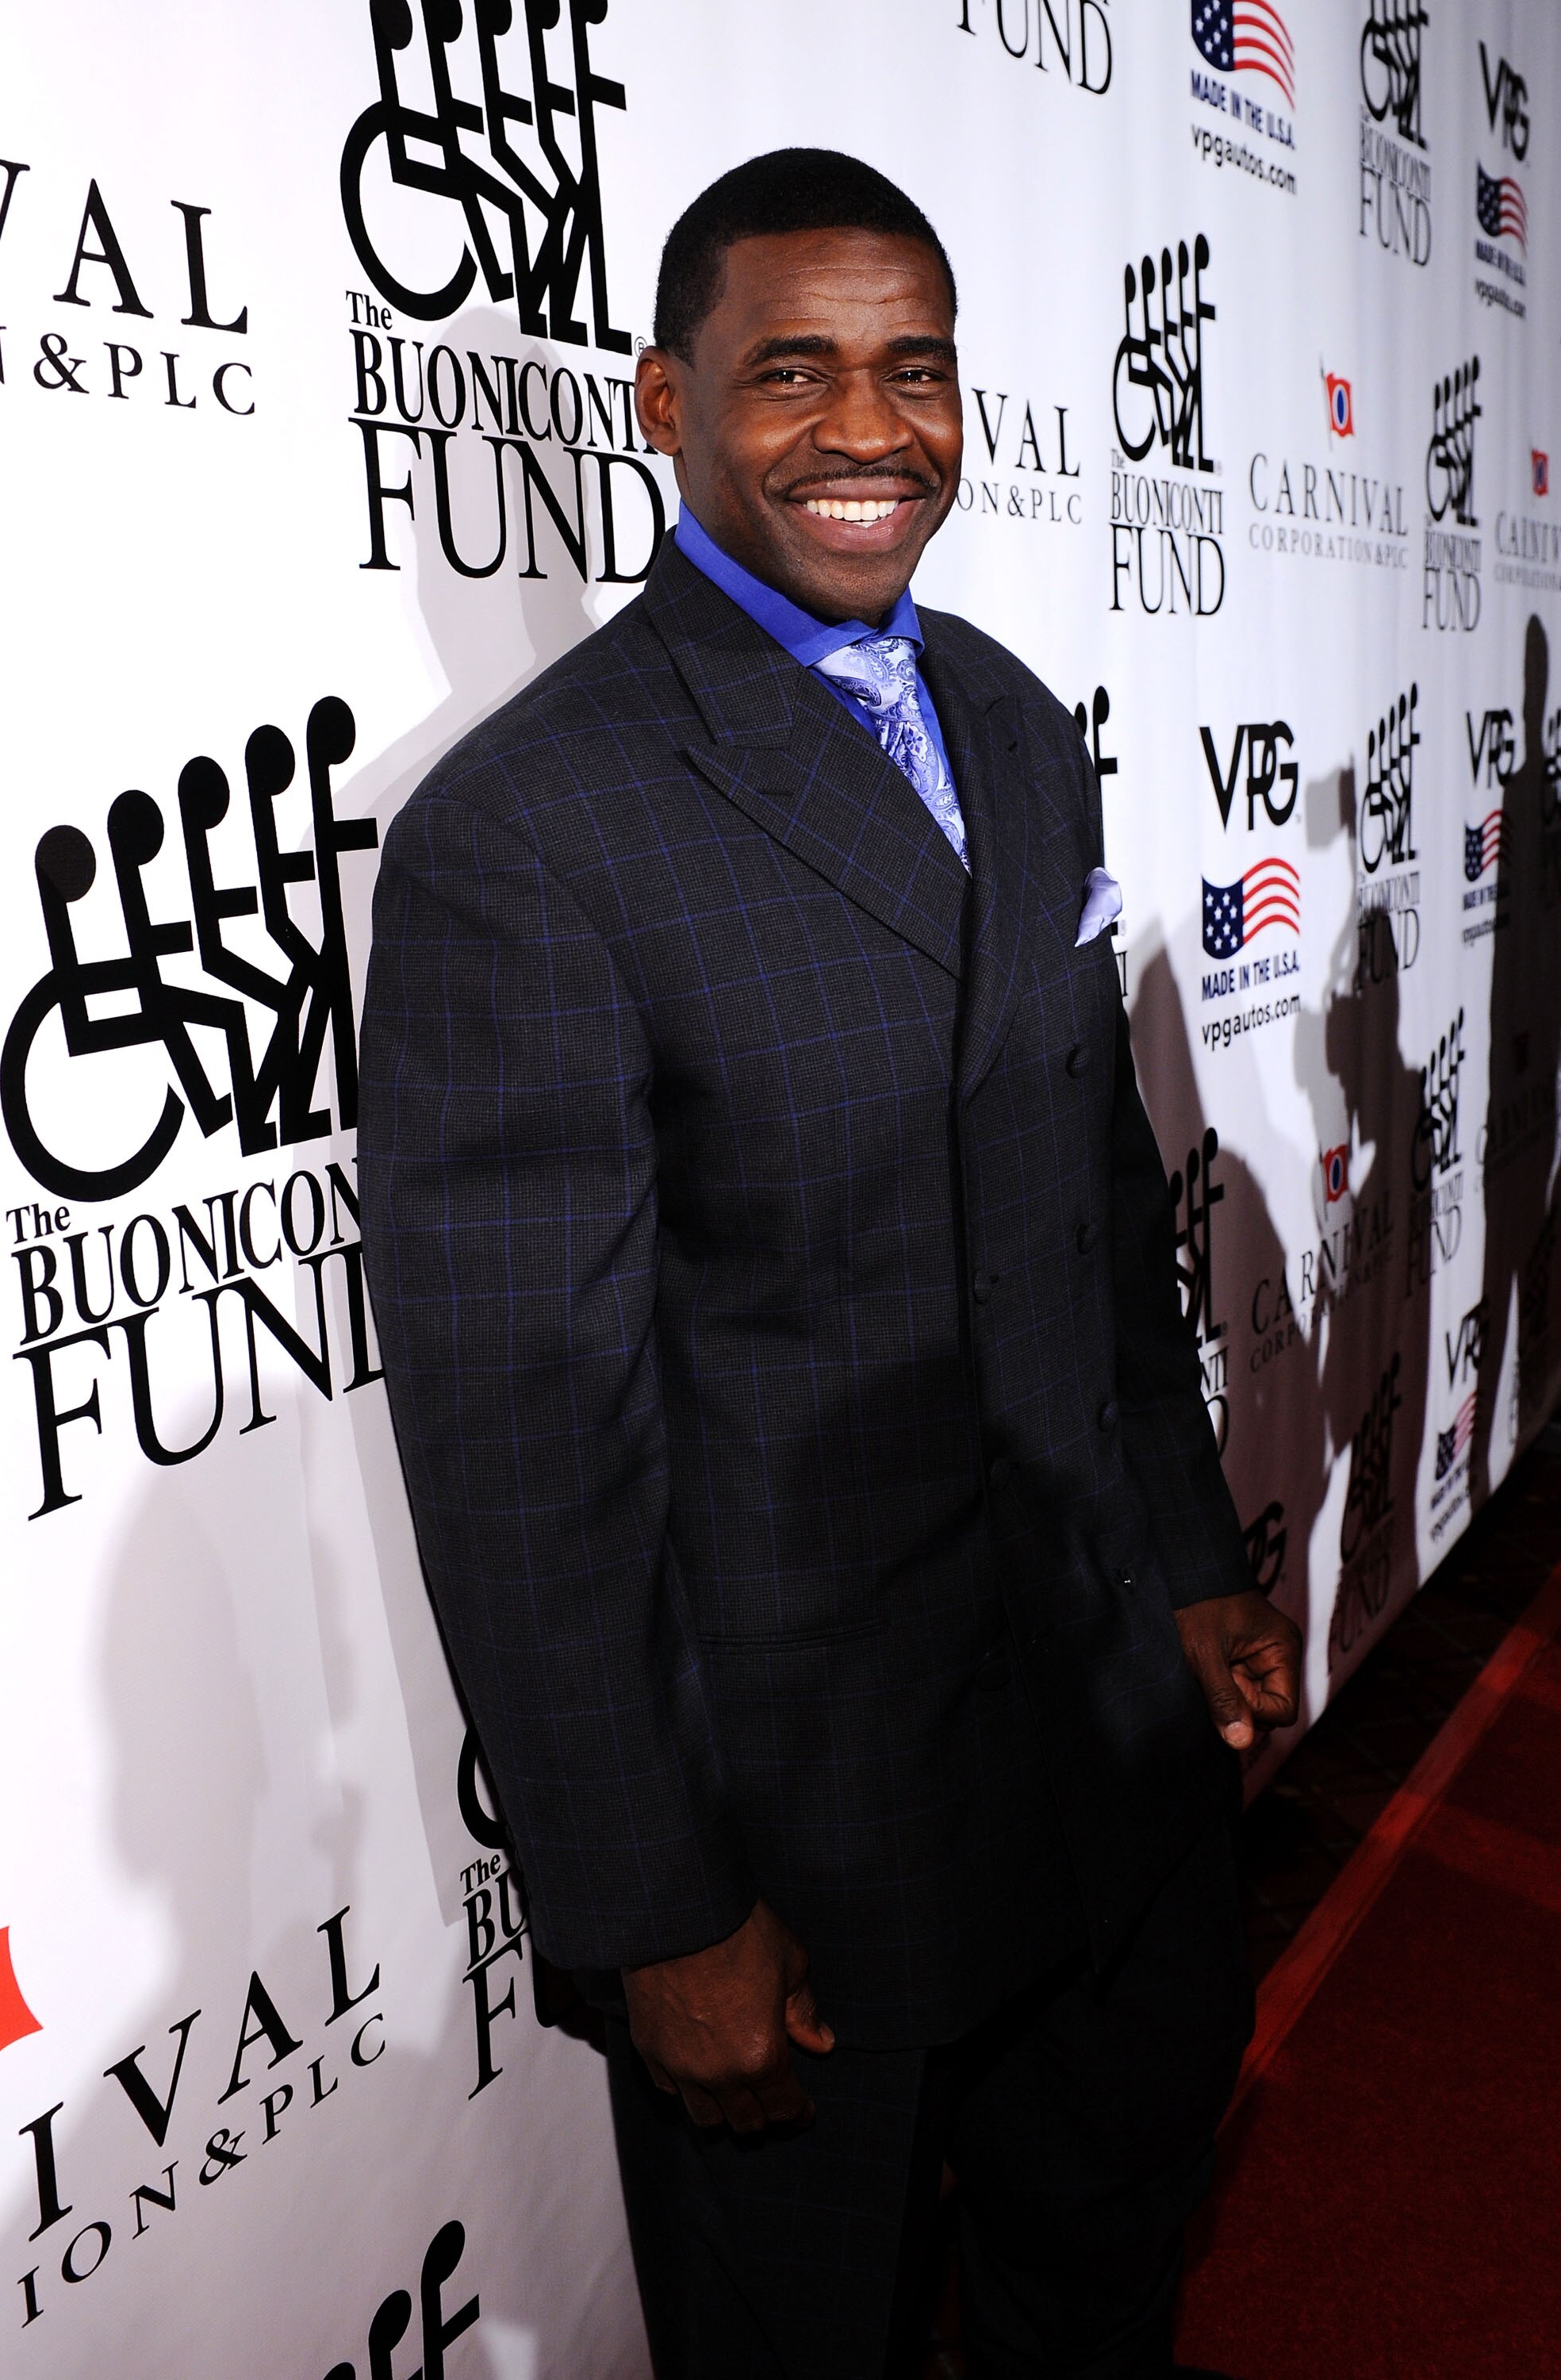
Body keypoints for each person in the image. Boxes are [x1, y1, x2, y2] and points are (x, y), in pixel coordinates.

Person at [359, 148, 1301, 2380]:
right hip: (807, 1850)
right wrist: (655, 1904)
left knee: (1111, 2269)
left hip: (1102, 1766)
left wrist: (1182, 1560)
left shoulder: (999, 713)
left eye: (915, 372)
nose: (869, 432)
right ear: (670, 401)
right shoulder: (527, 835)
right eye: (793, 372)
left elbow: (1087, 1192)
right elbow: (524, 1459)